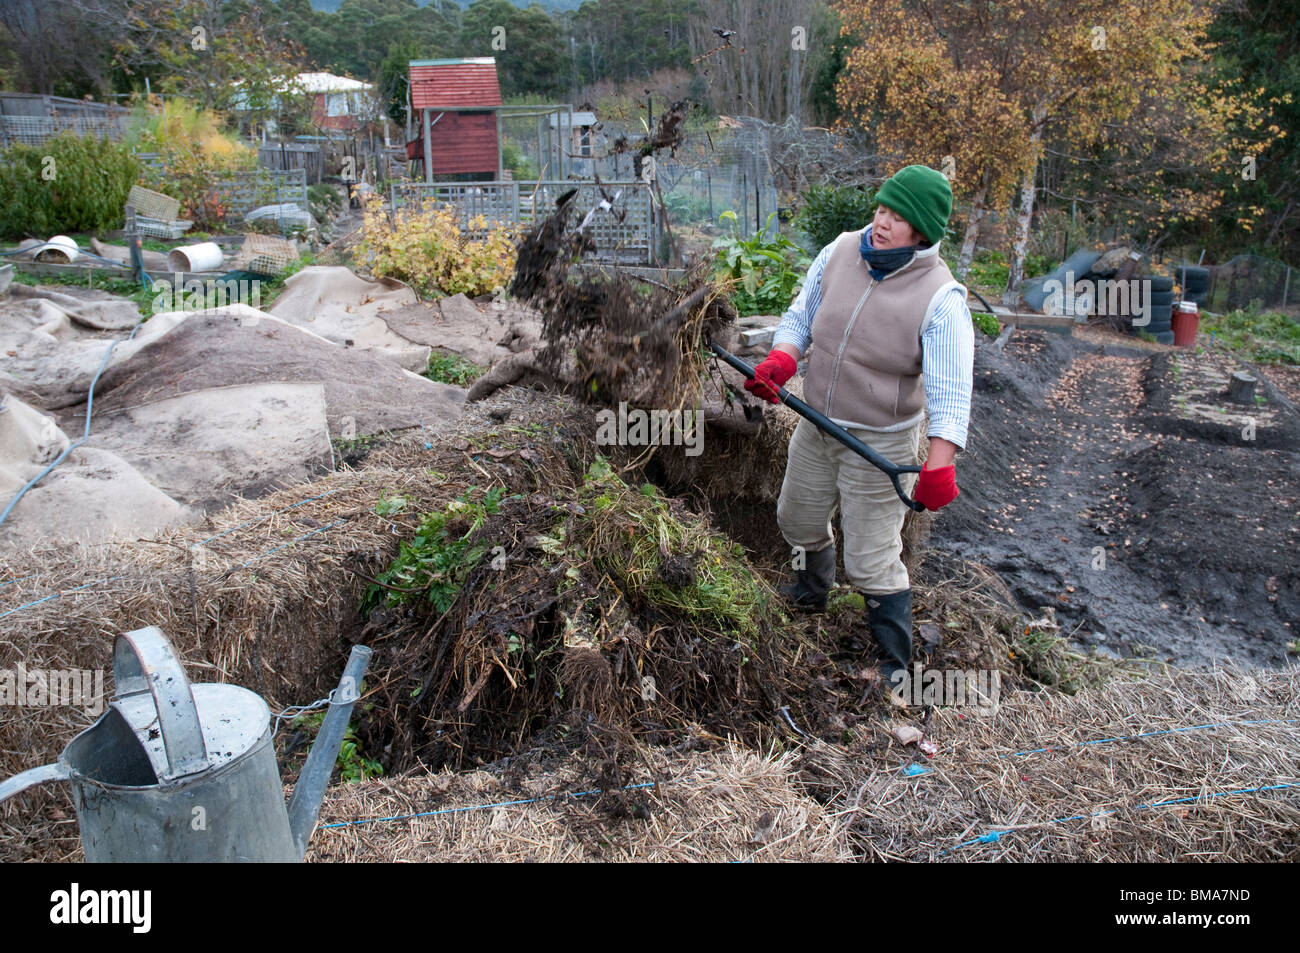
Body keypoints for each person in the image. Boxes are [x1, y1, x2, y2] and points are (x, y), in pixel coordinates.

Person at [743, 164, 974, 696]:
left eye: (898, 217)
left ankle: (897, 664)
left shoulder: (941, 298)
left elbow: (950, 391)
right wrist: (784, 357)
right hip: (817, 421)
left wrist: (940, 462)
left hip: (880, 442)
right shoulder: (842, 250)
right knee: (796, 518)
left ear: (922, 231)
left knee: (870, 560)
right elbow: (803, 315)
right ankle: (810, 592)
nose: (882, 222)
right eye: (882, 209)